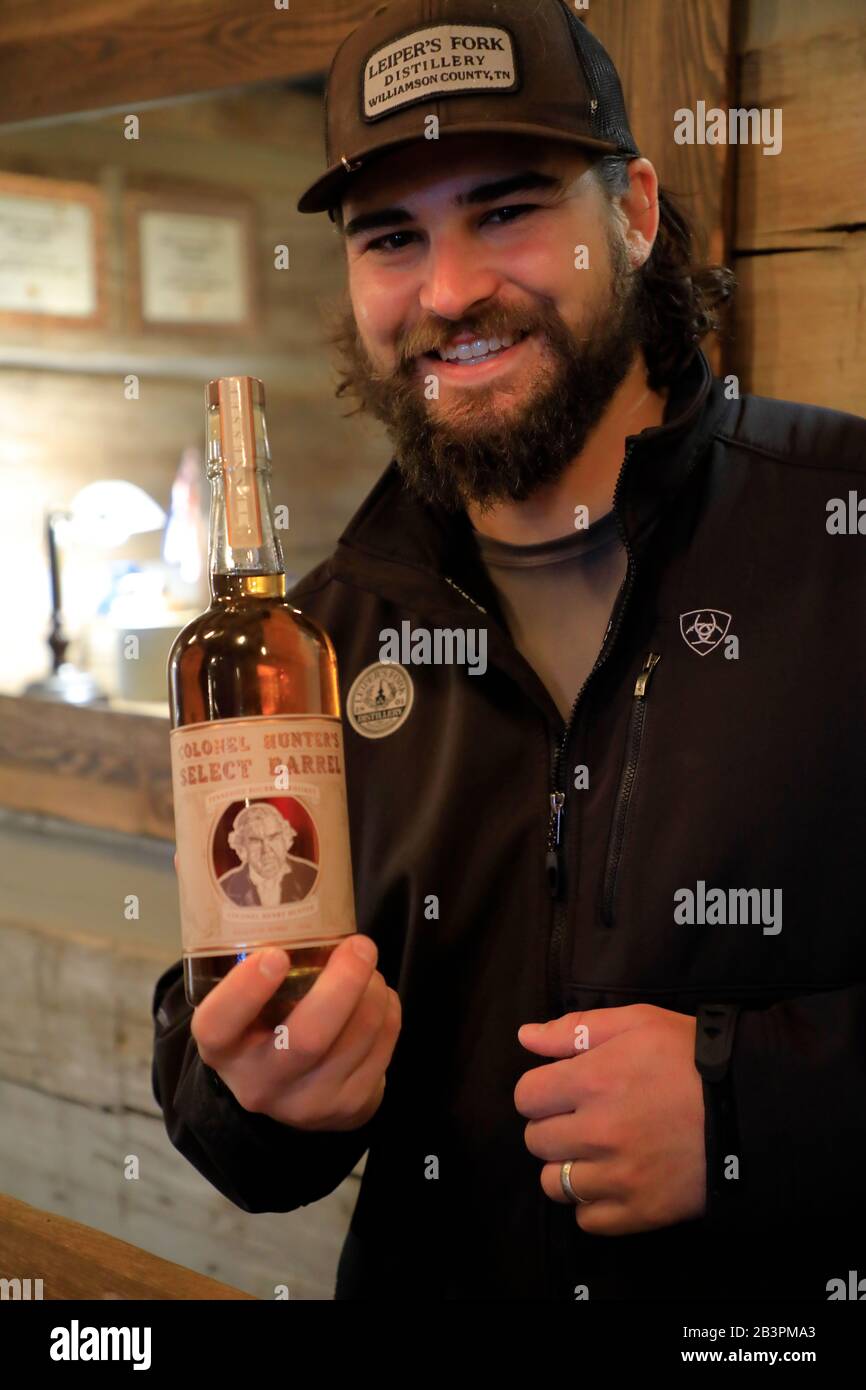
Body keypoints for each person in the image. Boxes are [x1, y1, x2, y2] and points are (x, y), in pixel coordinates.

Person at [152, 0, 866, 1300]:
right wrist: (255, 1095)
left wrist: (754, 1110)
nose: (448, 291)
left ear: (634, 211)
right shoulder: (321, 633)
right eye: (390, 237)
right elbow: (233, 1078)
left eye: (504, 209)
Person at [218, 803, 317, 907]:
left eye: (273, 837)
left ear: (286, 838)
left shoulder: (311, 876)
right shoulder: (225, 889)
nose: (266, 850)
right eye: (255, 841)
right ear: (242, 847)